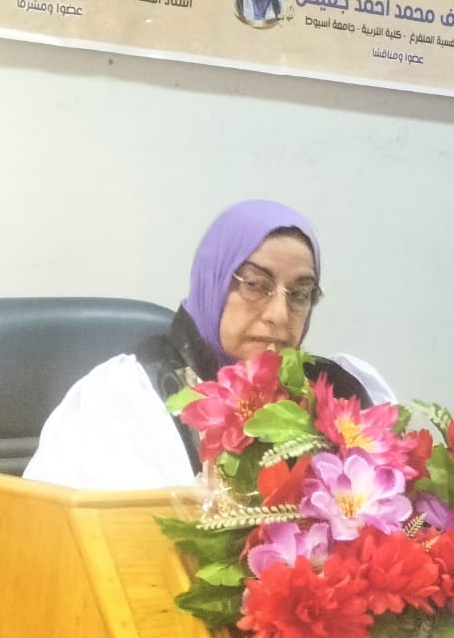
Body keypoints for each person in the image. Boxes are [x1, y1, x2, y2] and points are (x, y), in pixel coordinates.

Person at [24, 200, 394, 489]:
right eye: (255, 285)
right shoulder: (126, 401)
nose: (279, 315)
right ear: (211, 283)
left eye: (299, 293)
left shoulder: (342, 392)